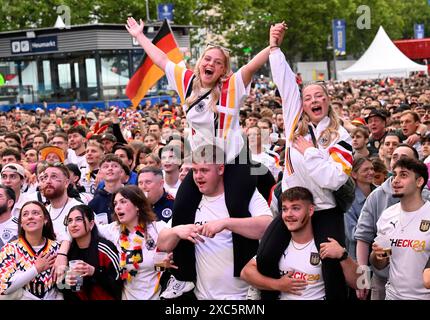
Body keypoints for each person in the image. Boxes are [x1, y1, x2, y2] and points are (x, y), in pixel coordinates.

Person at [127, 16, 276, 286]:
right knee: (182, 207)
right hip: (203, 163)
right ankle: (182, 276)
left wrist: (272, 44)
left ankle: (249, 272)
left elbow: (253, 65)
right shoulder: (186, 82)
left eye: (218, 63)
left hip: (234, 160)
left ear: (223, 70)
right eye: (208, 59)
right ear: (201, 62)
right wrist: (139, 36)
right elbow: (160, 60)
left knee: (237, 209)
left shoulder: (233, 86)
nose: (211, 64)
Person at [260, 23, 353, 300]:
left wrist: (310, 152)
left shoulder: (340, 136)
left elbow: (335, 178)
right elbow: (286, 82)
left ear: (327, 101)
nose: (314, 101)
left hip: (324, 209)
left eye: (319, 97)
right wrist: (274, 47)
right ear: (302, 102)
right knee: (265, 258)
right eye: (308, 97)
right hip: (291, 205)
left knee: (331, 267)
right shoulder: (293, 121)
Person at [157, 145, 273, 300]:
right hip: (202, 297)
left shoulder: (245, 195)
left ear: (220, 169)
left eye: (204, 170)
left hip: (242, 297)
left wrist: (226, 223)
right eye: (195, 170)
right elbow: (163, 243)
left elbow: (267, 227)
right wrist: (177, 232)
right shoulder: (191, 202)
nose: (198, 176)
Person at [241, 187, 360, 300]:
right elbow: (246, 273)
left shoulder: (326, 245)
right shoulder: (277, 244)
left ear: (310, 210)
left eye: (296, 208)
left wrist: (343, 255)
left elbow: (360, 283)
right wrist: (277, 284)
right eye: (285, 209)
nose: (289, 214)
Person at [354, 144, 430, 300]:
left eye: (403, 175)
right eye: (394, 174)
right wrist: (377, 256)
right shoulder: (387, 214)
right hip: (390, 293)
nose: (395, 180)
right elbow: (375, 258)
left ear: (419, 181)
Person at [0, 201, 62, 300]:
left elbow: (65, 286)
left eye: (35, 213)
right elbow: (5, 287)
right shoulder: (10, 249)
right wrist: (36, 269)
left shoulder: (58, 248)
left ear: (45, 219)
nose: (30, 217)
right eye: (25, 214)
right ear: (21, 223)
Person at [61, 204, 122, 300]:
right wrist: (65, 282)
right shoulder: (68, 251)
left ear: (91, 224)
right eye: (70, 221)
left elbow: (119, 283)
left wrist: (94, 272)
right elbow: (61, 288)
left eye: (79, 219)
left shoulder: (104, 248)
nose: (73, 224)